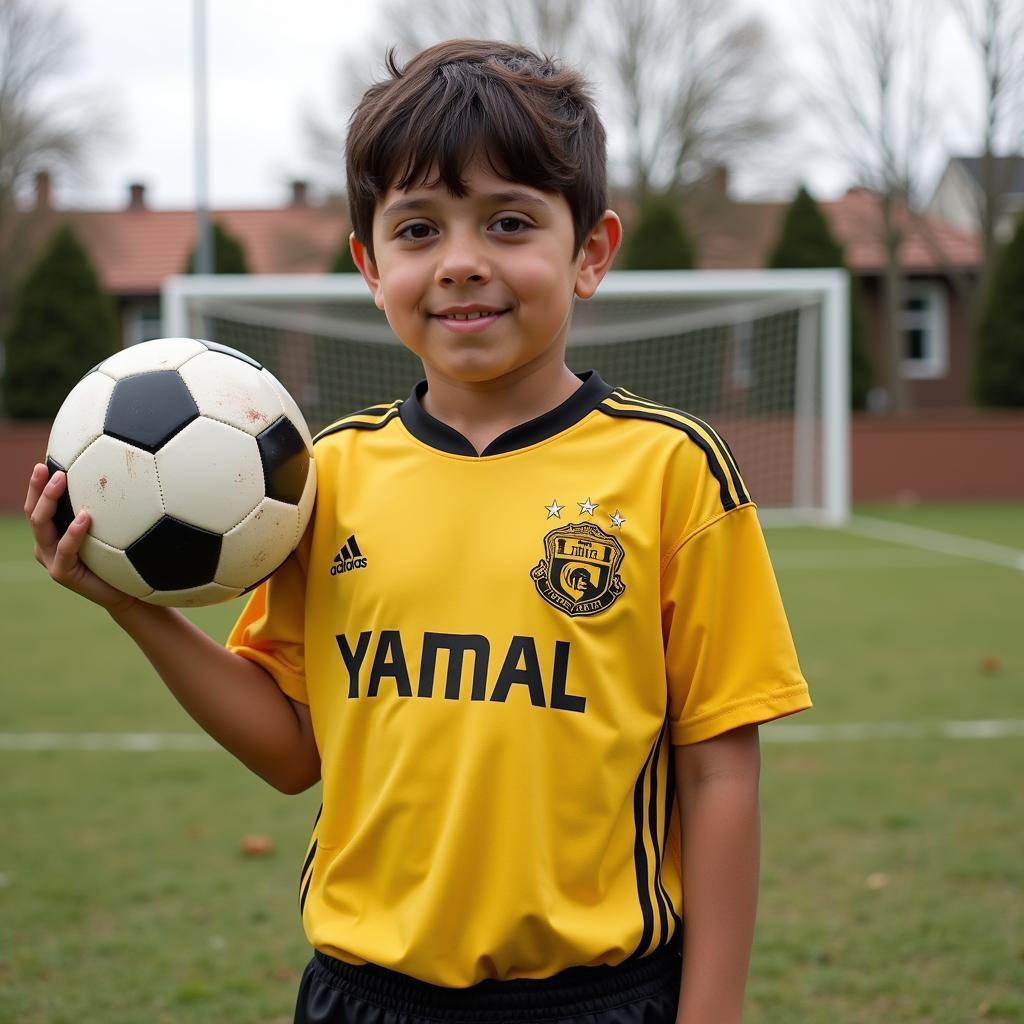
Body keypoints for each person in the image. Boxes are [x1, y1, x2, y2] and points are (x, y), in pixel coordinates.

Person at [25, 38, 811, 1024]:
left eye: (510, 221)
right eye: (418, 230)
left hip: (597, 998)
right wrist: (131, 607)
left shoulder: (671, 470)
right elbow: (290, 751)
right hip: (363, 994)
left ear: (591, 253)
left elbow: (718, 767)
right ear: (368, 263)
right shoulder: (324, 479)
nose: (464, 263)